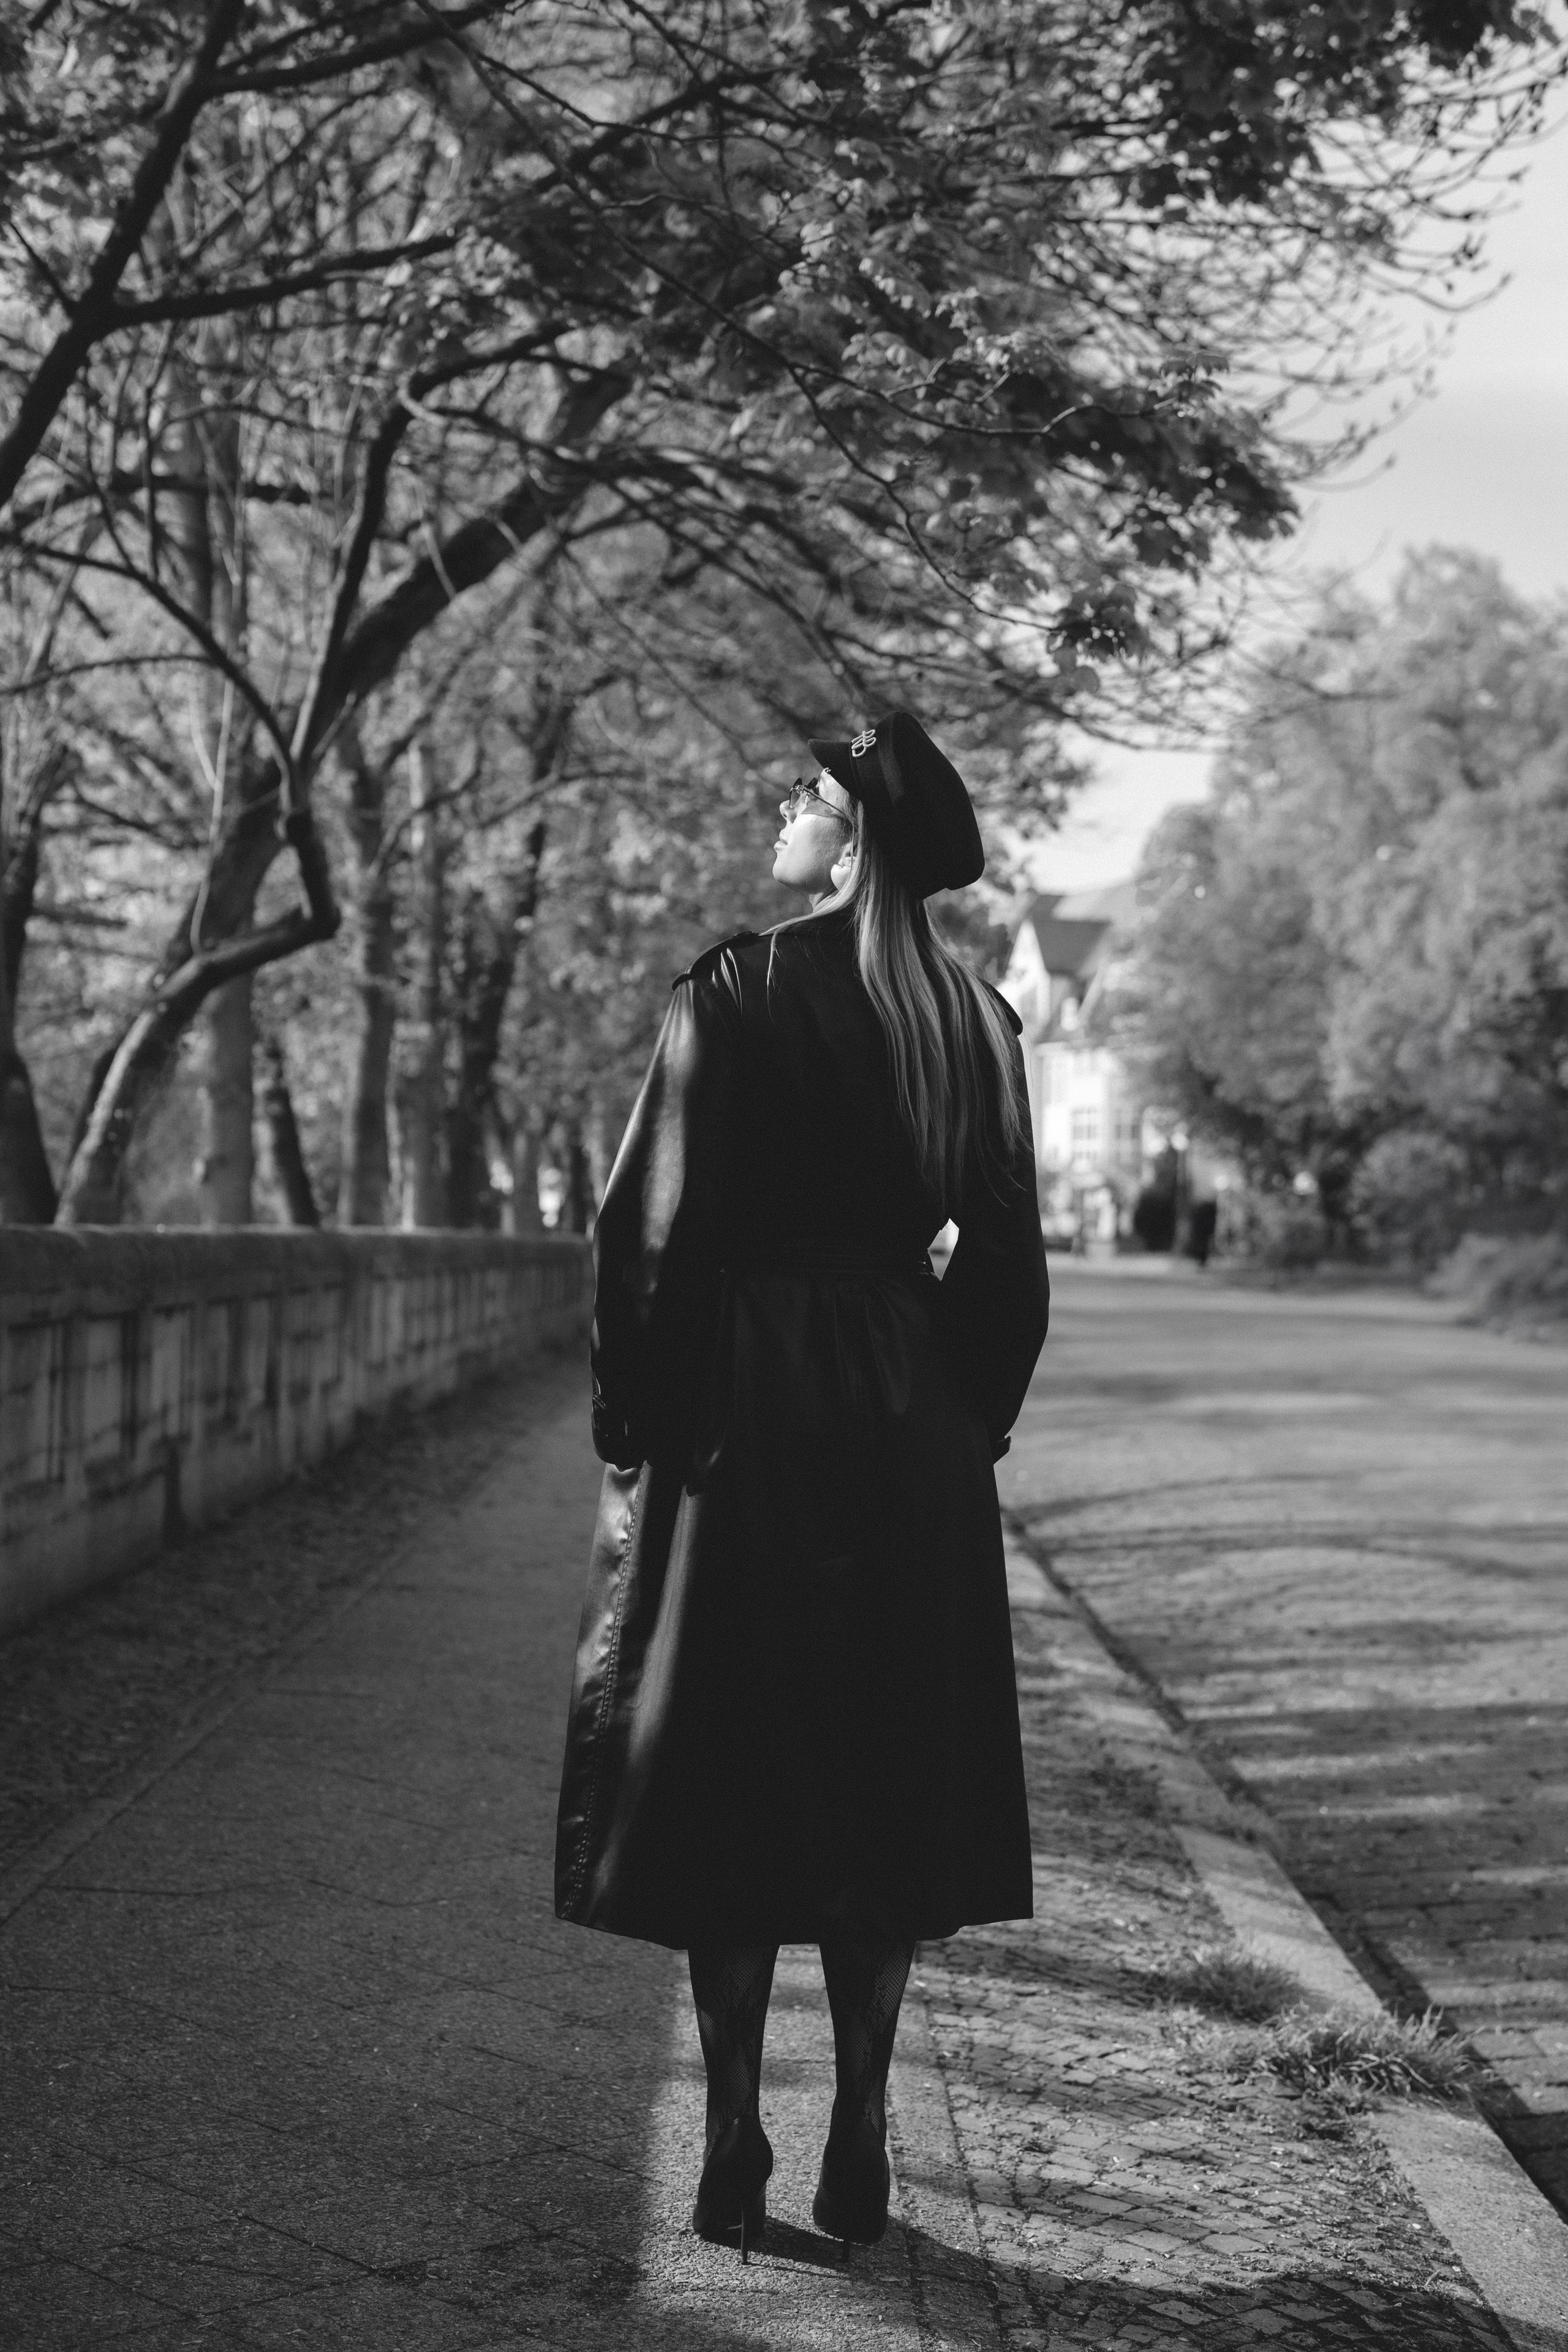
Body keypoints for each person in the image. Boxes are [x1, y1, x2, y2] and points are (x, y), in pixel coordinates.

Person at [554, 710, 1050, 2261]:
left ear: (845, 835)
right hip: (908, 1423)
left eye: (805, 795)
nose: (782, 806)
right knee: (883, 1769)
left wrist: (634, 1424)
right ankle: (857, 2127)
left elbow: (646, 1238)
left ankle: (728, 2138)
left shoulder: (742, 985)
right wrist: (962, 1422)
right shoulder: (973, 1022)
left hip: (743, 1423)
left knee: (730, 1772)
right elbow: (1009, 1277)